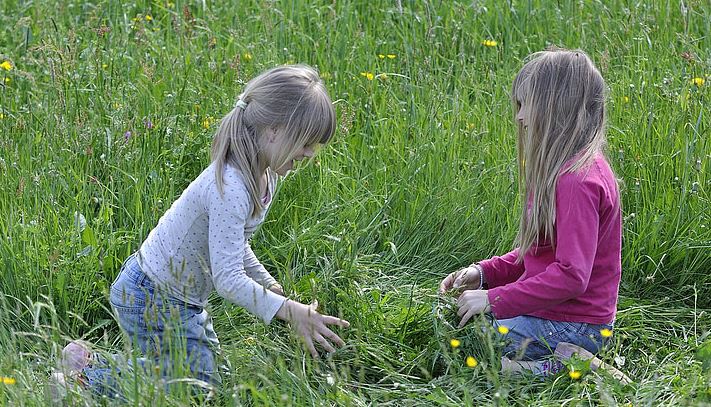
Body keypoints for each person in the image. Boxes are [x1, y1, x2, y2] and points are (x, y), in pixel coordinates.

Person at [51, 65, 350, 399]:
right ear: (275, 130)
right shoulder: (233, 187)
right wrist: (286, 310)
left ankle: (83, 360)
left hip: (176, 296)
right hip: (152, 295)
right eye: (307, 142)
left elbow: (233, 245)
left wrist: (271, 287)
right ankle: (80, 384)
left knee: (203, 376)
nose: (310, 153)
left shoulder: (267, 175)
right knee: (189, 392)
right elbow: (228, 280)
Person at [439, 49, 621, 366]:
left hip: (575, 324)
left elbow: (570, 277)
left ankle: (567, 367)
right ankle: (554, 362)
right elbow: (538, 255)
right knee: (462, 324)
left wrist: (493, 300)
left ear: (556, 109)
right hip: (560, 316)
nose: (519, 117)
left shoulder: (577, 183)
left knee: (472, 340)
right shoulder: (564, 171)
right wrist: (483, 274)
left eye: (526, 105)